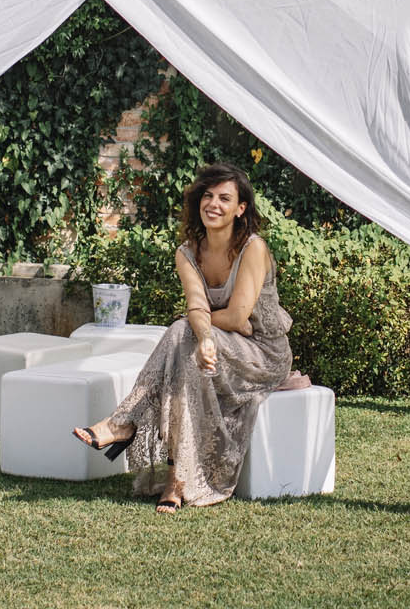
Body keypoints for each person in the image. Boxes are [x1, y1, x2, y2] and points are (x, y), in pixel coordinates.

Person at [73, 161, 294, 512]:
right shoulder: (187, 253)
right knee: (186, 342)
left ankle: (124, 424)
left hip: (263, 353)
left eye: (224, 198)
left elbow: (239, 316)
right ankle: (176, 481)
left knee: (181, 330)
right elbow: (197, 307)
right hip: (214, 347)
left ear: (240, 209)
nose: (214, 204)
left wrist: (202, 323)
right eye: (207, 196)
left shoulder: (254, 248)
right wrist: (205, 335)